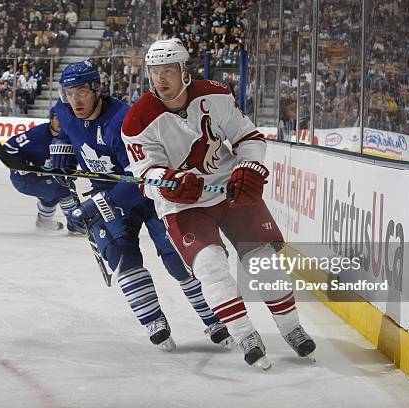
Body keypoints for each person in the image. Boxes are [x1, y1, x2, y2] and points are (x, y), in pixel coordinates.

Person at [121, 39, 316, 369]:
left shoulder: (215, 94)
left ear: (185, 72)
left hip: (228, 190)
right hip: (184, 206)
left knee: (264, 260)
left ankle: (291, 328)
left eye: (168, 71)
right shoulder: (137, 120)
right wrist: (168, 182)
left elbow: (248, 137)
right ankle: (245, 335)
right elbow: (145, 174)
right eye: (154, 73)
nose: (160, 80)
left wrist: (248, 166)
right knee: (210, 267)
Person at [49, 60, 234, 351]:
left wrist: (100, 203)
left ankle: (216, 320)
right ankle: (153, 320)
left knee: (178, 260)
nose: (75, 100)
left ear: (98, 88)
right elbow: (60, 121)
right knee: (121, 257)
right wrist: (61, 145)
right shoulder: (65, 110)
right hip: (109, 196)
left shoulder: (123, 120)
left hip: (150, 193)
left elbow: (138, 177)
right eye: (68, 93)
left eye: (81, 91)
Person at [4, 109, 84, 233]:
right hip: (24, 179)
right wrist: (21, 165)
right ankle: (75, 223)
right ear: (51, 119)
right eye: (58, 118)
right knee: (63, 189)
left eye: (64, 119)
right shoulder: (37, 134)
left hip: (44, 178)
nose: (61, 122)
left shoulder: (69, 136)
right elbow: (9, 148)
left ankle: (44, 223)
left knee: (51, 197)